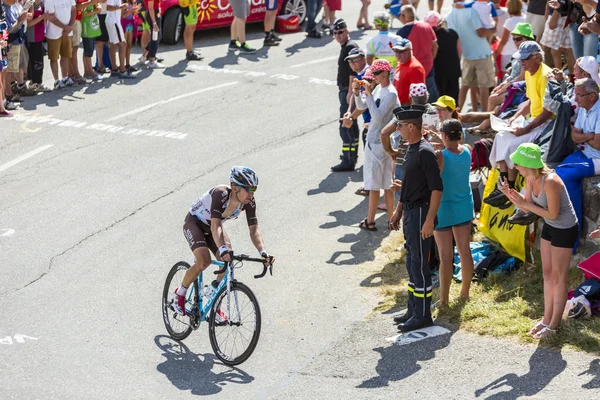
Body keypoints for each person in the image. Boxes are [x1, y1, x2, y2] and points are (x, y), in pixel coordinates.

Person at [500, 143, 578, 339]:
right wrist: (509, 194)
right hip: (551, 226)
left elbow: (551, 213)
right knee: (547, 273)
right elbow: (526, 208)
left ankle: (554, 325)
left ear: (528, 163)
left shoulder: (551, 181)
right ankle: (546, 319)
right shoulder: (529, 176)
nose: (515, 167)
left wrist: (526, 204)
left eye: (518, 163)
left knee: (559, 277)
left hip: (565, 229)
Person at [173, 167, 275, 316]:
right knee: (203, 261)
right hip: (195, 223)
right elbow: (215, 224)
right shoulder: (220, 194)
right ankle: (180, 293)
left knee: (228, 263)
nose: (252, 194)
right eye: (249, 189)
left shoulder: (249, 201)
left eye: (254, 189)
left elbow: (254, 230)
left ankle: (214, 298)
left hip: (214, 228)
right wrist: (222, 248)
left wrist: (263, 252)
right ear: (235, 188)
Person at [389, 105, 443, 332]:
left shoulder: (424, 151)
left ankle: (423, 315)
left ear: (411, 126)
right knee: (412, 263)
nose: (398, 129)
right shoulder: (410, 148)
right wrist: (398, 210)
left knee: (420, 264)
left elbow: (437, 188)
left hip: (421, 212)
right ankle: (413, 309)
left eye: (400, 126)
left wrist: (430, 220)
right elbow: (409, 186)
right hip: (411, 211)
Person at [485, 41, 554, 207]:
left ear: (537, 57)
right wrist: (514, 117)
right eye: (521, 59)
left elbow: (548, 112)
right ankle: (504, 185)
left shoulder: (545, 75)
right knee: (501, 136)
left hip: (546, 124)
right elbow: (530, 101)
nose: (522, 62)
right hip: (533, 120)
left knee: (513, 142)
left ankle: (508, 187)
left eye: (526, 58)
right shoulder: (530, 72)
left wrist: (525, 129)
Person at [352, 59, 400, 231]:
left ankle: (371, 221)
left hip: (378, 142)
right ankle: (391, 220)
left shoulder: (391, 93)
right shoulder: (381, 88)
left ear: (386, 73)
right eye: (373, 74)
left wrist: (369, 94)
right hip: (381, 141)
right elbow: (364, 107)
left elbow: (378, 116)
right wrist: (358, 93)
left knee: (374, 185)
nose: (374, 77)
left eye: (377, 73)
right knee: (386, 184)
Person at [555, 78, 600, 251]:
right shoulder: (584, 107)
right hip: (587, 154)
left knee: (565, 176)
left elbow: (598, 144)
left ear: (592, 95)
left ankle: (571, 239)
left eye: (579, 95)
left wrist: (587, 137)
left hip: (597, 158)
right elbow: (575, 136)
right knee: (556, 173)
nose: (576, 99)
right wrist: (590, 136)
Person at [433, 119, 474, 306]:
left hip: (443, 207)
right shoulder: (467, 150)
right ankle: (464, 293)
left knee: (445, 257)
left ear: (444, 135)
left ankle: (444, 299)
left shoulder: (440, 155)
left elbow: (436, 175)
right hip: (464, 206)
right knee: (465, 252)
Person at [446, 0, 495, 111]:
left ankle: (456, 114)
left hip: (467, 55)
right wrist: (493, 29)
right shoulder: (471, 11)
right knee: (484, 87)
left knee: (465, 86)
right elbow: (481, 32)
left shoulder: (448, 15)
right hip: (482, 53)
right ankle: (485, 116)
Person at [332, 18, 359, 172]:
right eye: (335, 33)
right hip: (344, 89)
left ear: (347, 31)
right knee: (352, 125)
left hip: (346, 90)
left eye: (341, 32)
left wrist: (350, 92)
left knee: (346, 125)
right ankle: (351, 155)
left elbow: (352, 71)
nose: (338, 35)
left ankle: (348, 160)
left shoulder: (350, 47)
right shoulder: (346, 46)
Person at [397, 5, 439, 101]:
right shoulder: (427, 26)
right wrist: (431, 60)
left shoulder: (401, 33)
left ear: (404, 16)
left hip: (412, 71)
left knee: (416, 101)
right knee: (432, 99)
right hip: (428, 68)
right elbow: (435, 46)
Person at [424, 11, 461, 102]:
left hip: (437, 70)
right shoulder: (453, 33)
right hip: (453, 68)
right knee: (453, 95)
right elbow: (459, 51)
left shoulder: (429, 37)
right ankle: (454, 114)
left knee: (439, 96)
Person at [44, 0, 77, 89]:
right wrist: (65, 27)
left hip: (67, 31)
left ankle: (65, 78)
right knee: (54, 58)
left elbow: (74, 9)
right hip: (53, 33)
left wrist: (69, 25)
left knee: (65, 56)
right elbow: (51, 17)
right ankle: (56, 81)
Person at [540, 0, 575, 76]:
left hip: (559, 15)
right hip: (567, 16)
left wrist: (555, 14)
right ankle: (570, 79)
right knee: (566, 50)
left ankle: (557, 78)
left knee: (546, 48)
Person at [493, 0, 525, 76]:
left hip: (508, 54)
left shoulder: (509, 21)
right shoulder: (526, 18)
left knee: (507, 78)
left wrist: (496, 54)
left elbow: (503, 41)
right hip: (522, 53)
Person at [392, 37, 426, 106]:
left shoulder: (415, 68)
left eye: (401, 51)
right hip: (398, 103)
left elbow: (418, 97)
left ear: (409, 51)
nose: (397, 54)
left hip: (407, 106)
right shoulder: (400, 63)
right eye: (396, 51)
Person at [106, 0, 136, 78]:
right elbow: (108, 7)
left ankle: (114, 69)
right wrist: (121, 7)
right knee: (123, 44)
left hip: (112, 21)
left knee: (113, 44)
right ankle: (122, 70)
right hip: (114, 22)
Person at [26, 0, 51, 92]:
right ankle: (36, 83)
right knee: (36, 62)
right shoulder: (31, 4)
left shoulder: (42, 3)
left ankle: (36, 83)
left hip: (40, 36)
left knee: (39, 60)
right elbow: (29, 23)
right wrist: (42, 17)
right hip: (33, 36)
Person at [80, 0, 103, 80]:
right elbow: (83, 14)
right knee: (88, 52)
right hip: (87, 29)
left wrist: (95, 9)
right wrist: (94, 11)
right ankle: (90, 72)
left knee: (89, 51)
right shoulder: (82, 2)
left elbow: (99, 8)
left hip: (93, 29)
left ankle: (87, 72)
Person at [140, 0, 164, 68]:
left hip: (154, 13)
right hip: (153, 14)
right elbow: (150, 7)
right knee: (155, 39)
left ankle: (144, 56)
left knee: (154, 38)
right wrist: (154, 23)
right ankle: (152, 61)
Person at [121, 0, 142, 69]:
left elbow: (133, 14)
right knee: (124, 45)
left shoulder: (131, 1)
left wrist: (136, 10)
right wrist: (132, 10)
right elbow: (123, 16)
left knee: (129, 45)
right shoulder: (122, 2)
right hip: (124, 25)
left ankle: (128, 64)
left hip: (130, 24)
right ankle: (122, 65)